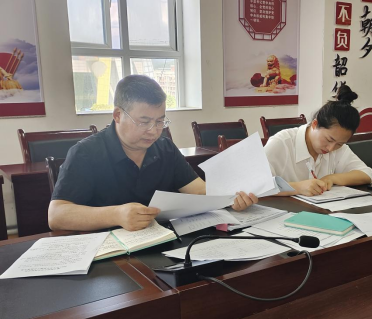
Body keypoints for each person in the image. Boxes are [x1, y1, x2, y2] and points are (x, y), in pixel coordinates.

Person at [48, 75, 257, 232]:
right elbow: (56, 215)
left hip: (162, 245)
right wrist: (116, 214)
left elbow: (199, 191)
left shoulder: (165, 149)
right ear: (118, 115)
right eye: (144, 121)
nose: (153, 131)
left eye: (160, 121)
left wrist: (232, 197)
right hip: (109, 253)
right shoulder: (86, 153)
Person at [264, 85, 372, 197]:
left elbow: (365, 174)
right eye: (329, 139)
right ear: (315, 124)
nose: (331, 148)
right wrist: (297, 187)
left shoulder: (338, 146)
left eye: (339, 144)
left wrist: (331, 178)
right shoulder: (281, 143)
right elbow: (257, 185)